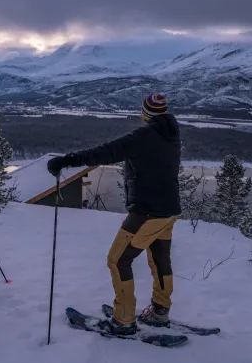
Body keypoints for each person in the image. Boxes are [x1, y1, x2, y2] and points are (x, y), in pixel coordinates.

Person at [47, 93, 181, 335]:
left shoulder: (144, 136)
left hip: (147, 211)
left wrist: (67, 160)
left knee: (118, 260)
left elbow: (106, 151)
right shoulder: (171, 135)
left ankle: (124, 321)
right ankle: (160, 311)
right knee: (160, 260)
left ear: (146, 113)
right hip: (168, 211)